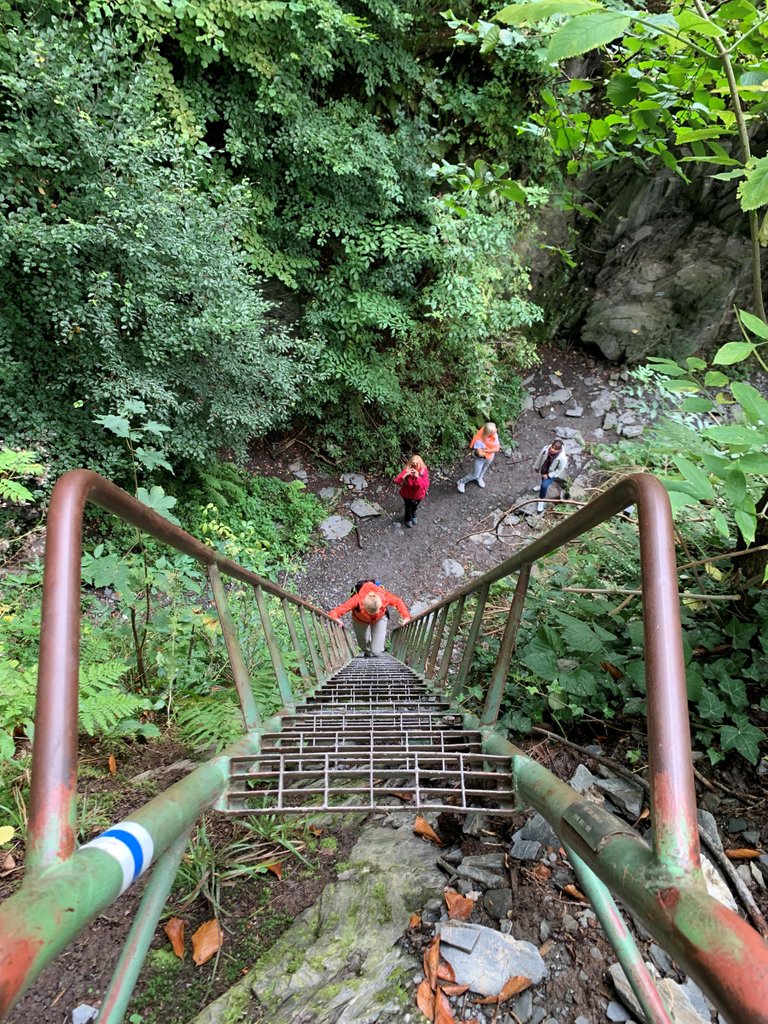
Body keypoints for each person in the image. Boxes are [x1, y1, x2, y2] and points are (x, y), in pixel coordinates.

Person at [328, 581, 411, 657]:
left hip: (379, 619)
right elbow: (336, 611)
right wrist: (335, 618)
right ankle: (367, 652)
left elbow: (398, 602)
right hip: (360, 620)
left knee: (376, 651)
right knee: (363, 643)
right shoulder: (357, 599)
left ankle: (373, 651)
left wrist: (406, 617)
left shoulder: (384, 597)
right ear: (363, 606)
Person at [457, 422, 500, 493]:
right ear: (488, 432)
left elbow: (497, 449)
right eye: (494, 431)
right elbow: (480, 454)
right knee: (474, 474)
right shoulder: (479, 440)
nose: (496, 431)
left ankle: (480, 477)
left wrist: (486, 450)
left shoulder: (494, 435)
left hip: (490, 456)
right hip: (480, 459)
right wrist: (491, 450)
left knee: (485, 468)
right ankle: (461, 482)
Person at [394, 454, 430, 528]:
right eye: (413, 464)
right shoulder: (407, 470)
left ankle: (413, 514)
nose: (415, 467)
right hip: (407, 495)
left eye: (417, 464)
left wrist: (418, 477)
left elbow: (424, 485)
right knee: (408, 507)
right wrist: (405, 474)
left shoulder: (423, 472)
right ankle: (407, 519)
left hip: (418, 495)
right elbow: (397, 481)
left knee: (415, 506)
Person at [533, 438, 568, 512]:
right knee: (543, 481)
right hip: (544, 469)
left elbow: (559, 470)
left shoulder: (562, 458)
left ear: (559, 450)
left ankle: (541, 500)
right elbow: (540, 457)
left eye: (555, 449)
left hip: (552, 473)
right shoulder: (546, 449)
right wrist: (536, 466)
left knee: (544, 485)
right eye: (552, 447)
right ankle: (541, 487)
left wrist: (549, 475)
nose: (552, 450)